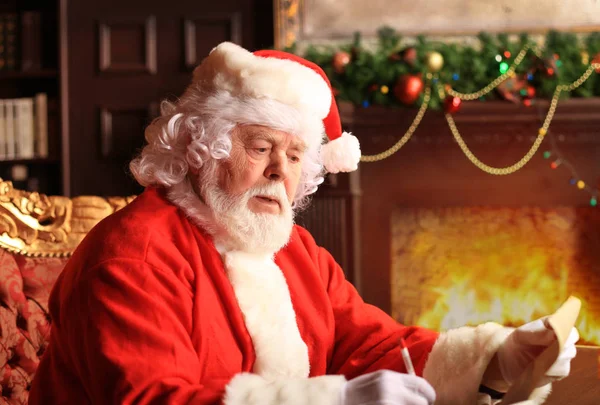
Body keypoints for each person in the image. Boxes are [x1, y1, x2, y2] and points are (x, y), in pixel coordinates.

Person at [29, 42, 578, 405]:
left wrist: (495, 359)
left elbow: (369, 345)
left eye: (295, 157)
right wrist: (335, 401)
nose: (278, 172)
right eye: (262, 147)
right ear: (203, 149)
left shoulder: (293, 250)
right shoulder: (135, 254)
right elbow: (150, 399)